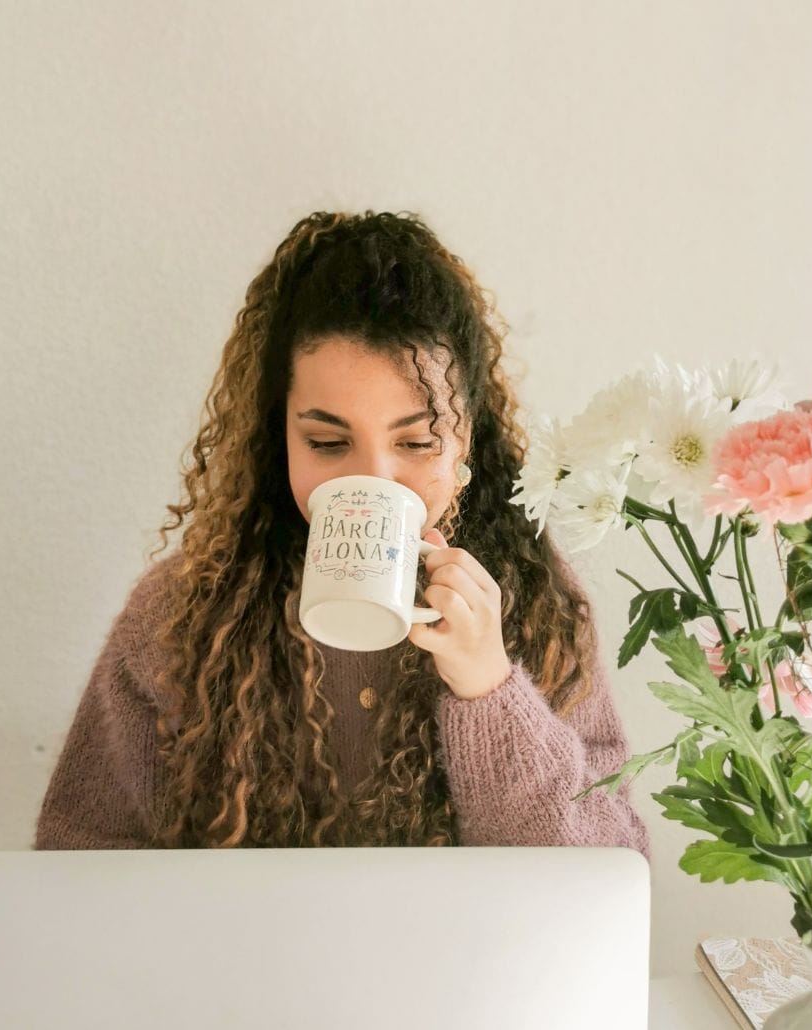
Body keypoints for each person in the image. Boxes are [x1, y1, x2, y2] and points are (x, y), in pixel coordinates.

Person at [34, 209, 650, 855]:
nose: (376, 478)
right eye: (328, 442)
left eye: (416, 440)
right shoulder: (182, 616)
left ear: (468, 439)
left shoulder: (532, 602)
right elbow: (81, 853)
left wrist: (488, 684)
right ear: (279, 442)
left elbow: (604, 875)